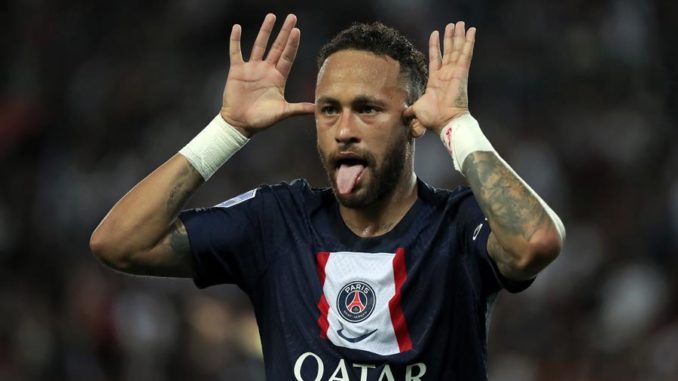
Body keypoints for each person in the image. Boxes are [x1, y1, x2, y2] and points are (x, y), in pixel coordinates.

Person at [90, 13, 565, 380]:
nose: (344, 131)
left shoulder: (458, 227)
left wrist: (458, 127)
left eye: (368, 110)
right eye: (328, 110)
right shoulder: (277, 221)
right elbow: (119, 242)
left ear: (414, 122)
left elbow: (537, 241)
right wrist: (227, 131)